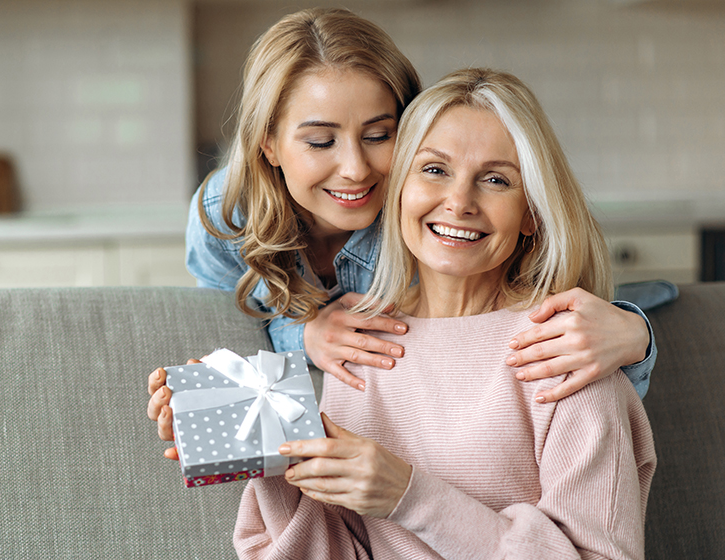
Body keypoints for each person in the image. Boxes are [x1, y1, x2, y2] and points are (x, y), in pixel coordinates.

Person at [232, 68, 657, 560]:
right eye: (434, 170)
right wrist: (266, 456)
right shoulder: (361, 342)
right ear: (397, 190)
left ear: (531, 214)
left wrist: (408, 497)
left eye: (496, 180)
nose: (458, 202)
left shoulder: (567, 352)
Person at [183, 7, 655, 403]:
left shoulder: (429, 219)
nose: (354, 168)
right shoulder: (225, 215)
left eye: (378, 136)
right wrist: (300, 337)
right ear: (269, 144)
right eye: (321, 141)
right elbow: (226, 325)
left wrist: (637, 335)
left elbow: (521, 315)